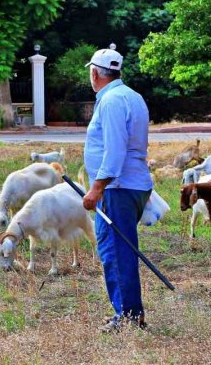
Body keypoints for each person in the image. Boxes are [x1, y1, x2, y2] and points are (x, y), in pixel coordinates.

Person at [81, 45, 153, 332]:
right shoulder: (133, 97)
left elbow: (115, 150)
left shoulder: (110, 101)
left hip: (117, 189)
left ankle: (128, 316)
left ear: (95, 74)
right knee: (121, 249)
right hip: (132, 186)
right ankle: (130, 311)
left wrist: (97, 188)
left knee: (115, 252)